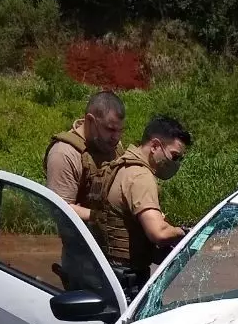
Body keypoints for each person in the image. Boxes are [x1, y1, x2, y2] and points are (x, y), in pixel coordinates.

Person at [91, 115, 191, 290]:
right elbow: (158, 233)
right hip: (127, 279)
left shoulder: (120, 165)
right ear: (154, 146)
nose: (176, 163)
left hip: (107, 271)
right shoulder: (140, 177)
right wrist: (184, 231)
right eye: (174, 156)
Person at [44, 91, 126, 222]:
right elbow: (60, 209)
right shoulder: (65, 153)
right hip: (82, 238)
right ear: (90, 120)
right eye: (110, 129)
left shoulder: (114, 146)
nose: (116, 137)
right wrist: (101, 217)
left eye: (120, 130)